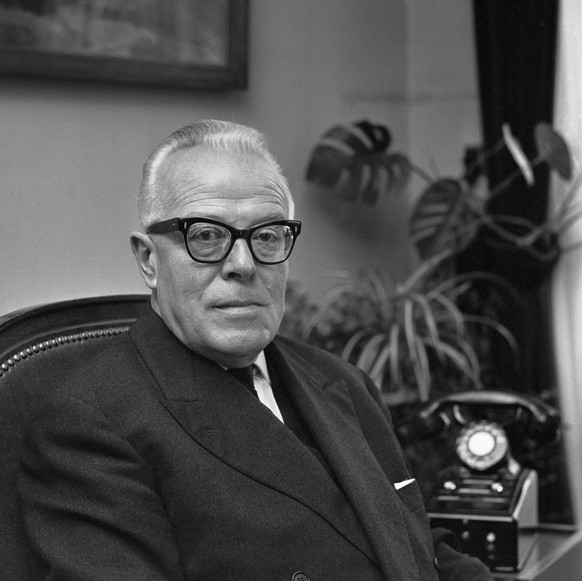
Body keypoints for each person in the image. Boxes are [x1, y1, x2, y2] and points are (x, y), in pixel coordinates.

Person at [18, 120, 492, 580]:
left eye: (266, 236)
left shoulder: (342, 382)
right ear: (149, 260)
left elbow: (418, 549)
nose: (242, 265)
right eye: (206, 235)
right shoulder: (88, 422)